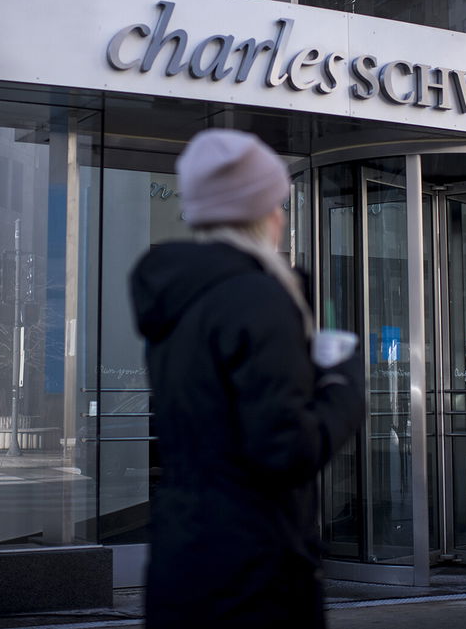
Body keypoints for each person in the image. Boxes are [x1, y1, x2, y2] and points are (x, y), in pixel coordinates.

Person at [129, 128, 365, 629]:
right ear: (263, 214)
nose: (282, 215)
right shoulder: (258, 299)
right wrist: (343, 386)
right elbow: (284, 448)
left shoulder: (177, 299)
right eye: (278, 202)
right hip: (254, 570)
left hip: (182, 561)